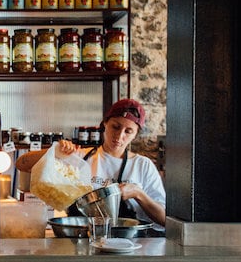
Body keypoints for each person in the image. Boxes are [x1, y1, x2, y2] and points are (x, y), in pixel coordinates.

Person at [17, 98, 166, 229]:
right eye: (116, 126)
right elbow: (22, 164)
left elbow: (164, 219)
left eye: (128, 131)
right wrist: (55, 151)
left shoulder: (142, 166)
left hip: (129, 245)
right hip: (81, 240)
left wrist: (138, 193)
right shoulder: (80, 158)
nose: (119, 136)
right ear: (105, 124)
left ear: (135, 135)